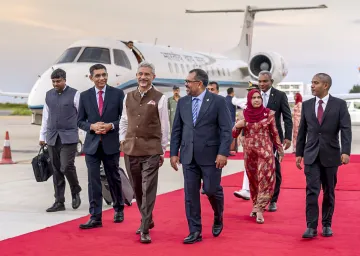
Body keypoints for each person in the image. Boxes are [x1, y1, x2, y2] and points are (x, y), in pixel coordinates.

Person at [170, 69, 232, 244]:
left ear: (199, 83)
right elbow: (177, 130)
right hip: (188, 156)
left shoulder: (218, 102)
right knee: (190, 195)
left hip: (211, 156)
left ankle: (218, 215)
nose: (186, 84)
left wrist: (223, 153)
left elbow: (226, 130)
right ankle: (195, 231)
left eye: (188, 81)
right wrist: (174, 153)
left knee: (212, 189)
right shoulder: (182, 102)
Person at [296, 73, 351, 239]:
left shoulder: (339, 105)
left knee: (329, 192)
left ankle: (327, 224)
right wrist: (299, 153)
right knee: (311, 191)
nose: (312, 85)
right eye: (312, 82)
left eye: (315, 83)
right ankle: (311, 226)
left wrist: (346, 151)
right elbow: (302, 132)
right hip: (311, 154)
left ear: (325, 85)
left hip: (331, 155)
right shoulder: (306, 105)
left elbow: (345, 129)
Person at [120, 61, 169, 243]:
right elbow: (124, 120)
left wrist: (162, 150)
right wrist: (122, 140)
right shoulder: (127, 97)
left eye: (147, 74)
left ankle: (145, 226)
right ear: (136, 76)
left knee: (148, 188)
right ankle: (147, 218)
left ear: (153, 77)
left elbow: (165, 127)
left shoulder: (160, 98)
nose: (143, 77)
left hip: (151, 150)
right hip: (131, 149)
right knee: (137, 188)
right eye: (140, 74)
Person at [233, 71, 292, 212]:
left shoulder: (280, 95)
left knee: (274, 170)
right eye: (260, 81)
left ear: (271, 81)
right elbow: (246, 118)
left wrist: (288, 137)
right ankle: (259, 199)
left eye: (265, 81)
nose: (262, 84)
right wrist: (241, 133)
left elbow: (287, 118)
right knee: (255, 172)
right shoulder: (254, 95)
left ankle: (273, 199)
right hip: (253, 142)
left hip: (272, 139)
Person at [77, 64, 125, 229]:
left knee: (114, 178)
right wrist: (91, 127)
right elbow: (80, 121)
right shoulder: (84, 96)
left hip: (111, 143)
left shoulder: (118, 94)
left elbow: (124, 119)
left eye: (104, 75)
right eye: (97, 76)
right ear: (91, 78)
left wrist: (111, 125)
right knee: (93, 181)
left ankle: (118, 207)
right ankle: (95, 216)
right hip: (92, 145)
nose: (101, 78)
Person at [232, 89, 284, 224]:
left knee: (265, 179)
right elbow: (234, 134)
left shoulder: (269, 114)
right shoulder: (244, 114)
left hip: (265, 151)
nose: (256, 100)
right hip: (250, 153)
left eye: (258, 97)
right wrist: (237, 126)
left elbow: (275, 133)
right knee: (253, 181)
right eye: (253, 98)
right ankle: (255, 205)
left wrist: (280, 149)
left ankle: (260, 208)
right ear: (249, 100)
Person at [39, 68, 82, 212]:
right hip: (52, 137)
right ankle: (59, 201)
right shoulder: (48, 95)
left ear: (64, 80)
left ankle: (75, 190)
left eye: (58, 81)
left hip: (69, 137)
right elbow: (46, 117)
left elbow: (82, 116)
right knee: (56, 170)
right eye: (53, 81)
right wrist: (42, 136)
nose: (56, 84)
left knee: (66, 166)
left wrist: (82, 136)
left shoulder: (75, 94)